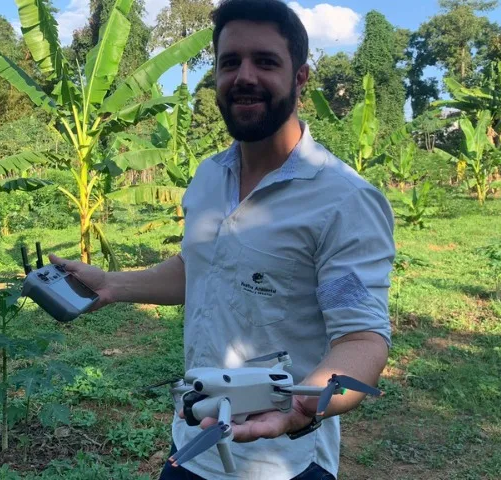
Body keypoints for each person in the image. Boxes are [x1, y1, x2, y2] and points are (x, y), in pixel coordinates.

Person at [49, 0, 396, 478]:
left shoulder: (343, 199)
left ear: (300, 77)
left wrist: (304, 405)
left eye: (266, 61)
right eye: (230, 62)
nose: (244, 76)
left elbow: (362, 338)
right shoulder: (209, 176)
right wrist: (112, 284)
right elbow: (202, 266)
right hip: (193, 441)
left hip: (285, 463)